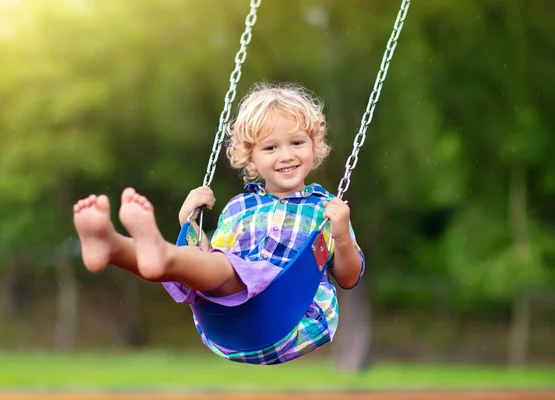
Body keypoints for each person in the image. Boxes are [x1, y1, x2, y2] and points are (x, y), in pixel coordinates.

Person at [73, 82, 365, 364]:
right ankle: (113, 247)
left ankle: (156, 254)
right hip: (230, 320)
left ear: (315, 147)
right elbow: (214, 263)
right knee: (213, 264)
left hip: (294, 317)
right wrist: (189, 224)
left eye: (297, 143)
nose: (286, 155)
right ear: (251, 160)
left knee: (224, 269)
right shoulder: (239, 207)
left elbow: (349, 277)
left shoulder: (327, 210)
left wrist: (340, 236)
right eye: (270, 148)